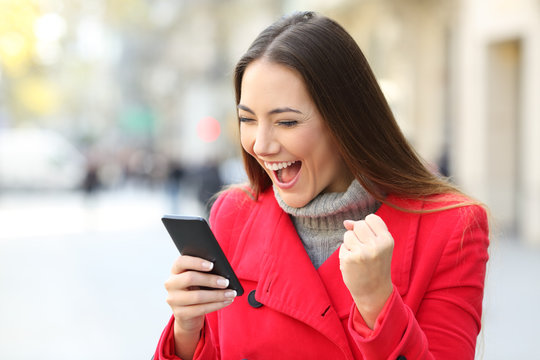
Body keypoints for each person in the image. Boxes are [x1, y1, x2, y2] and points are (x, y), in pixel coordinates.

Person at [154, 11, 489, 360]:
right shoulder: (234, 215)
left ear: (345, 121)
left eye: (286, 121)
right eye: (247, 119)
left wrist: (378, 303)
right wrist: (186, 330)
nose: (261, 144)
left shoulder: (452, 228)